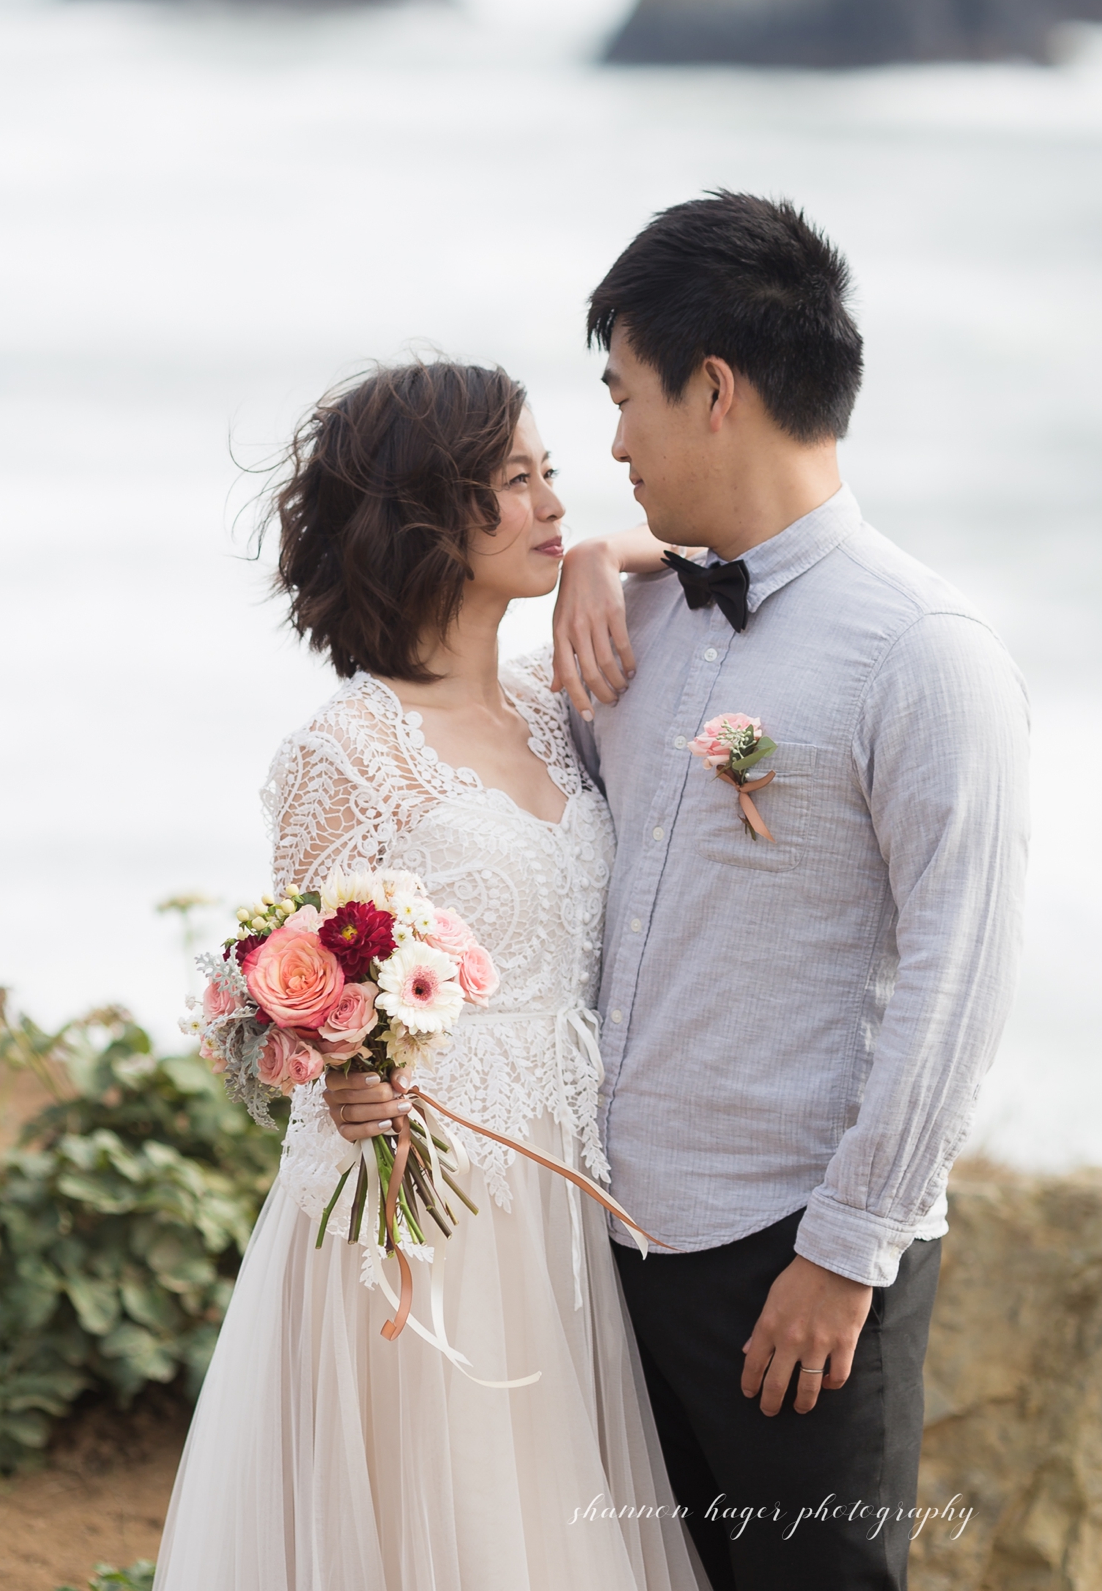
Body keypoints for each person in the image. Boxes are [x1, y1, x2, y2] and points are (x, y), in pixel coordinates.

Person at [545, 191, 1029, 1591]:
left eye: (622, 397)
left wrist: (847, 1250)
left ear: (713, 390)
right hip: (614, 1238)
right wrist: (591, 557)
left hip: (793, 1258)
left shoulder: (927, 653)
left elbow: (962, 971)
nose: (613, 442)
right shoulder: (626, 617)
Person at [154, 361, 703, 1591]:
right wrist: (336, 1079)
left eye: (552, 471)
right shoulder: (345, 753)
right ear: (425, 520)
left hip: (565, 1193)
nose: (554, 501)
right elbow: (294, 1007)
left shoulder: (559, 702)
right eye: (516, 482)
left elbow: (705, 537)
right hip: (426, 1213)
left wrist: (599, 559)